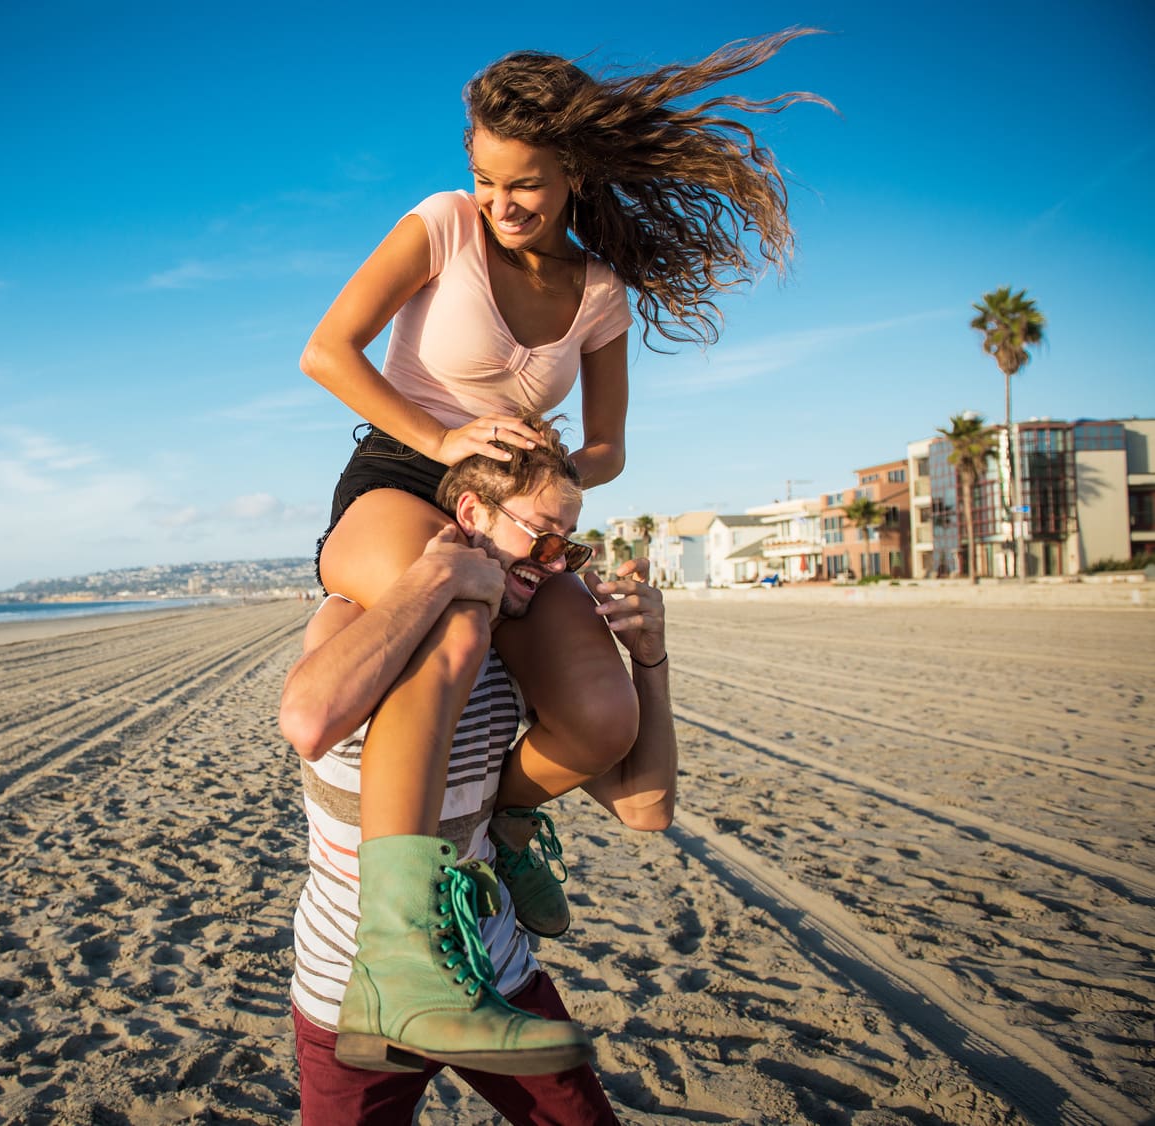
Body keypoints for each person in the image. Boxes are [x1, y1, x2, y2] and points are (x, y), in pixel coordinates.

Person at [299, 31, 820, 1069]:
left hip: (519, 508)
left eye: (526, 184)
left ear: (572, 173)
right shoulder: (441, 228)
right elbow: (326, 352)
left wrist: (553, 467)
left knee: (599, 712)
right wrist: (445, 436)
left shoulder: (596, 292)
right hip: (403, 479)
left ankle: (511, 824)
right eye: (486, 178)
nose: (502, 201)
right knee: (445, 618)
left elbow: (613, 448)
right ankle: (397, 959)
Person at [279, 417, 677, 1119]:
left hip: (491, 974)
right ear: (470, 514)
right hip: (353, 990)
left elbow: (646, 810)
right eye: (545, 540)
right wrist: (432, 579)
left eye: (571, 551)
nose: (556, 567)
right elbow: (308, 721)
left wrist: (649, 661)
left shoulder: (522, 660)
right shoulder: (358, 618)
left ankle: (511, 828)